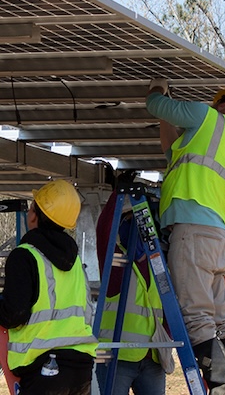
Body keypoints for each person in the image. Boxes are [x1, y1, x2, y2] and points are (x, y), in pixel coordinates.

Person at [145, 78, 225, 394]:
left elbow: (155, 105)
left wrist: (157, 89)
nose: (214, 102)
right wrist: (166, 115)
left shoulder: (205, 117)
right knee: (219, 321)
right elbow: (172, 152)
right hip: (216, 240)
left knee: (196, 320)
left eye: (219, 99)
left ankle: (221, 387)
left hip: (191, 234)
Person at [0, 179, 97, 395]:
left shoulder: (25, 256)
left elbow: (13, 314)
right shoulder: (75, 264)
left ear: (34, 214)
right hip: (80, 368)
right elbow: (87, 311)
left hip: (45, 370)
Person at [95, 169, 170, 395]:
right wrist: (117, 195)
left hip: (154, 358)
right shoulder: (117, 264)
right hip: (117, 358)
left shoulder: (159, 264)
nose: (135, 226)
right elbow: (104, 233)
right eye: (129, 219)